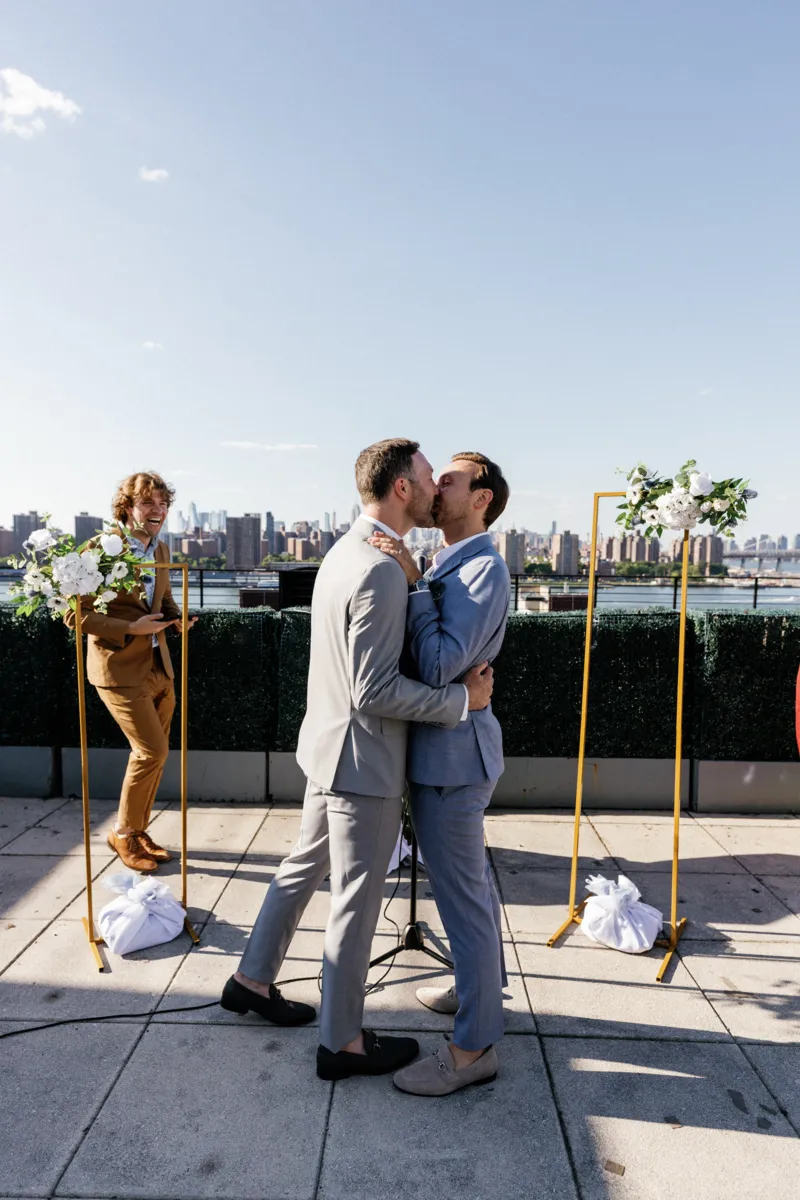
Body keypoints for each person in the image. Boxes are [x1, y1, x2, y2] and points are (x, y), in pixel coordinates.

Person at [220, 438, 495, 1080]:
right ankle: (341, 1041)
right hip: (362, 759)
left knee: (302, 866)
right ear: (402, 487)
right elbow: (375, 689)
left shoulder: (347, 552)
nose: (433, 487)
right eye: (429, 477)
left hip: (327, 746)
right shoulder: (378, 570)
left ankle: (252, 980)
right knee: (355, 901)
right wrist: (462, 700)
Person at [368, 451, 511, 1096]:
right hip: (442, 754)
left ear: (481, 498)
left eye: (448, 480)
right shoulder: (448, 562)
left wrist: (416, 586)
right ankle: (472, 991)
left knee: (466, 901)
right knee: (466, 894)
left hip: (456, 762)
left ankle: (473, 1049)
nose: (434, 487)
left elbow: (439, 665)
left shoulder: (480, 569)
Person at [65, 471, 196, 872]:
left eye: (162, 504)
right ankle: (123, 834)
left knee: (156, 755)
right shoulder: (98, 550)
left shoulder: (160, 550)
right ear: (127, 507)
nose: (157, 511)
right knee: (150, 750)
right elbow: (73, 614)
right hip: (119, 668)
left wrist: (177, 618)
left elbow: (165, 598)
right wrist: (129, 629)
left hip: (160, 666)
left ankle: (136, 832)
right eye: (147, 503)